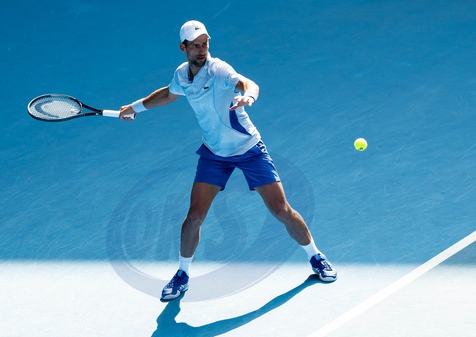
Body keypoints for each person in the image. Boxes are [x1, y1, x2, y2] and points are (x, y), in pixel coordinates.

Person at [119, 20, 337, 301]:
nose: (202, 50)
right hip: (214, 154)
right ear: (183, 48)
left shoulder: (218, 69)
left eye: (205, 44)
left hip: (248, 148)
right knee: (194, 217)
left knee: (281, 210)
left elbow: (248, 83)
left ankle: (316, 256)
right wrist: (135, 107)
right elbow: (169, 94)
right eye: (195, 45)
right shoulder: (182, 75)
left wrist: (248, 96)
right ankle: (182, 274)